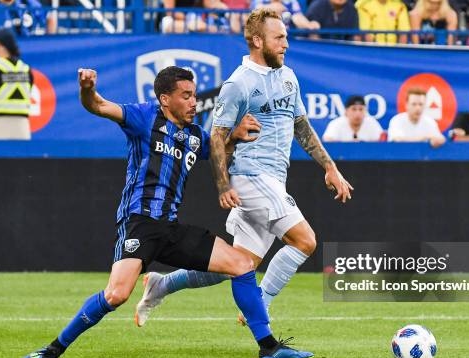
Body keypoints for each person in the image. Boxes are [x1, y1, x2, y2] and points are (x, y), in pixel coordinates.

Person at [19, 66, 314, 358]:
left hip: (171, 229)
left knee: (242, 265)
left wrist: (234, 137)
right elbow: (98, 105)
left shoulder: (194, 135)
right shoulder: (143, 117)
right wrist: (86, 89)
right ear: (164, 99)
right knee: (117, 294)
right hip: (140, 224)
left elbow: (216, 151)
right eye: (186, 96)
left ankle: (268, 348)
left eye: (194, 95)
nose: (193, 102)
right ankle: (53, 350)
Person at [133, 9, 353, 328]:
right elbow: (217, 137)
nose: (286, 44)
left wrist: (329, 167)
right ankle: (259, 307)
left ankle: (161, 284)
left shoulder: (288, 77)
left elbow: (301, 125)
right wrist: (224, 186)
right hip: (250, 175)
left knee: (239, 264)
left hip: (274, 180)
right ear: (256, 40)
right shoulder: (238, 83)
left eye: (286, 37)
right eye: (279, 38)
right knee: (305, 240)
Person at [251, 0, 321, 30]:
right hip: (264, 40)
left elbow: (297, 16)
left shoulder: (291, 1)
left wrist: (308, 24)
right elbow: (255, 11)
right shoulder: (259, 1)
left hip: (287, 41)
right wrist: (273, 7)